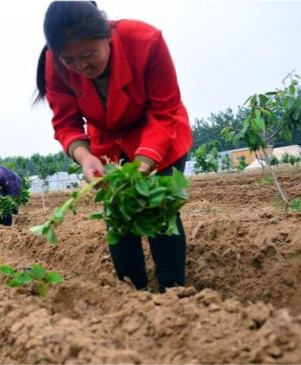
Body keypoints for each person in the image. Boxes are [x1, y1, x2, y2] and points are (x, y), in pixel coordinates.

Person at [36, 0, 192, 292]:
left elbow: (164, 111)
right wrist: (84, 157)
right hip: (107, 146)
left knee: (160, 213)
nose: (80, 66)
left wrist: (143, 164)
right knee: (119, 219)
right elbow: (66, 122)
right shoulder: (53, 63)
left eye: (87, 54)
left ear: (105, 35)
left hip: (160, 136)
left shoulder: (145, 41)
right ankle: (132, 296)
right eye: (69, 60)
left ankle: (174, 296)